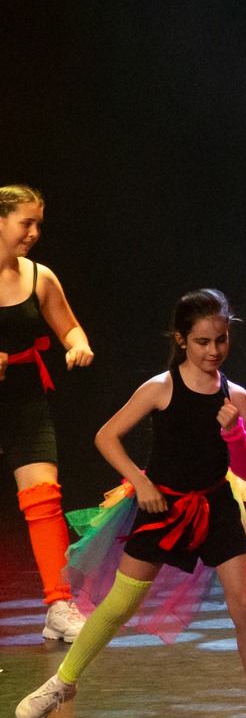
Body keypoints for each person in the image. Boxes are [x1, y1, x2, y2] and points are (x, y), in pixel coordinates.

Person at [15, 289, 246, 718]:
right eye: (202, 342)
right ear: (181, 340)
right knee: (120, 602)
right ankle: (62, 683)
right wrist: (140, 483)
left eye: (221, 340)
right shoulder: (160, 388)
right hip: (163, 504)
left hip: (215, 505)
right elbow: (106, 436)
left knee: (245, 601)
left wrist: (235, 432)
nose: (213, 350)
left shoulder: (236, 396)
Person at [0, 185, 94, 642]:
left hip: (24, 399)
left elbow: (70, 328)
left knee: (43, 498)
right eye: (26, 222)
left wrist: (79, 345)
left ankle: (59, 605)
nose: (34, 232)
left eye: (38, 223)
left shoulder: (40, 277)